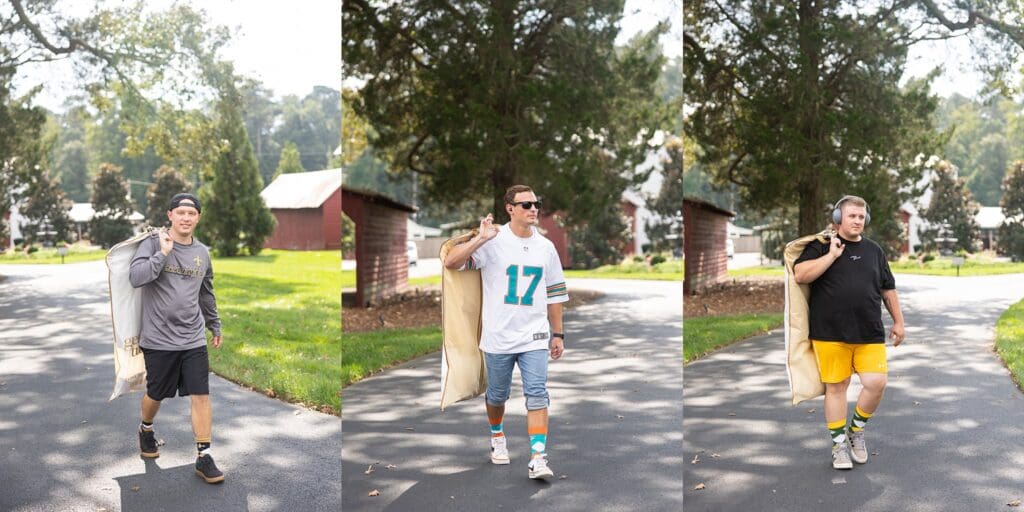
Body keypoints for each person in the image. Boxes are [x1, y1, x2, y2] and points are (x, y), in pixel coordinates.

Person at [443, 184, 569, 480]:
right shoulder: (493, 243)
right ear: (510, 209)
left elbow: (555, 295)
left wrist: (558, 334)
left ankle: (538, 456)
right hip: (498, 336)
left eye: (536, 203)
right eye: (526, 205)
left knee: (537, 394)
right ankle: (497, 435)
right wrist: (480, 239)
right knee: (497, 395)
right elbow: (451, 262)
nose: (534, 209)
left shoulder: (546, 248)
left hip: (534, 336)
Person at [793, 195, 905, 470]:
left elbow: (887, 288)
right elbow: (800, 274)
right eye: (851, 215)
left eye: (861, 216)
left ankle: (856, 429)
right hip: (830, 332)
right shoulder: (820, 247)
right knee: (837, 387)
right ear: (837, 218)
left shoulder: (874, 251)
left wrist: (899, 322)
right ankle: (838, 445)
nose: (857, 220)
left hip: (869, 331)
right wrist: (832, 255)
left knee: (876, 382)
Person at [129, 193, 225, 484]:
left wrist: (214, 324)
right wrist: (163, 253)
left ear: (198, 218)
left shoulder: (203, 253)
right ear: (170, 214)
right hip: (158, 338)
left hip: (193, 338)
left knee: (201, 394)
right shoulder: (152, 243)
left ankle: (203, 455)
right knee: (156, 393)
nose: (186, 218)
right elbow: (136, 277)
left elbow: (206, 292)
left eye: (191, 213)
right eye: (180, 212)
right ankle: (146, 429)